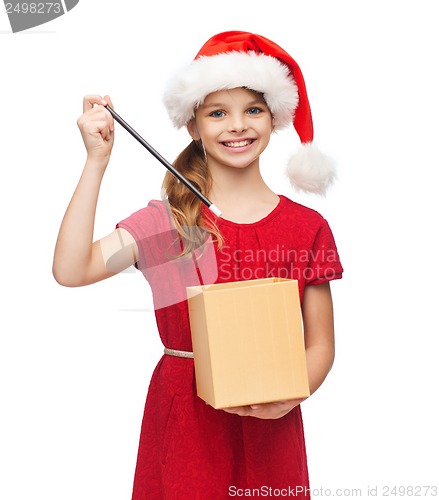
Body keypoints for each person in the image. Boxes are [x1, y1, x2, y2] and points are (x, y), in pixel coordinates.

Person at [53, 31, 343, 499]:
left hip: (273, 423)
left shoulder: (307, 226)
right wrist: (96, 162)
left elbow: (321, 344)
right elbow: (72, 269)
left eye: (253, 109)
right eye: (217, 113)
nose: (237, 126)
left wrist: (290, 395)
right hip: (187, 423)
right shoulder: (168, 222)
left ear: (274, 119)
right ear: (193, 126)